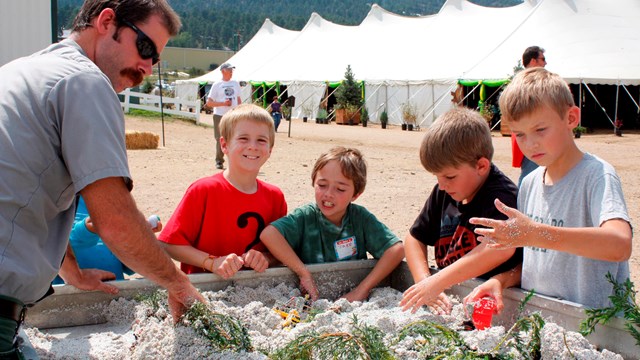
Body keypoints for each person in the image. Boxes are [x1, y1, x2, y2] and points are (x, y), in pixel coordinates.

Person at [0, 0, 205, 356]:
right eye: (144, 48)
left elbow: (28, 192)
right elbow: (115, 222)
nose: (145, 66)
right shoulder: (87, 82)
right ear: (107, 21)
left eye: (154, 60)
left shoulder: (20, 70)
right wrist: (177, 282)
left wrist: (72, 271)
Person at [464, 68, 632, 313]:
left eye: (540, 130)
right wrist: (501, 279)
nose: (530, 144)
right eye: (519, 134)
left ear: (571, 118)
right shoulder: (530, 183)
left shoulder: (597, 176)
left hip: (599, 331)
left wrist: (536, 234)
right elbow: (540, 261)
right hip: (546, 324)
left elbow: (619, 245)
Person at [399, 107, 521, 314]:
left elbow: (500, 248)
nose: (442, 185)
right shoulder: (444, 191)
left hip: (492, 302)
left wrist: (437, 282)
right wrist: (424, 280)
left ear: (481, 166)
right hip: (448, 292)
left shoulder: (502, 197)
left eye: (449, 177)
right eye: (437, 177)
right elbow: (413, 238)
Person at [159, 104, 287, 279]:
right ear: (224, 145)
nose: (253, 146)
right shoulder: (203, 190)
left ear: (270, 149)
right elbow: (170, 244)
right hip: (204, 289)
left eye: (261, 140)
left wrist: (265, 258)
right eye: (243, 138)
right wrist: (211, 262)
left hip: (254, 291)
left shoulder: (275, 197)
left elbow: (281, 251)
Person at [260, 147, 405, 302]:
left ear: (356, 194)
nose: (328, 193)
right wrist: (303, 273)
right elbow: (269, 234)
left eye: (340, 189)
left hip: (351, 295)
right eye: (322, 185)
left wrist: (361, 290)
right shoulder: (305, 216)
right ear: (313, 182)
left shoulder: (360, 218)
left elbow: (396, 249)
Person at [52, 196, 163, 284]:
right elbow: (52, 250)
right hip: (71, 298)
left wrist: (139, 240)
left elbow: (127, 264)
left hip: (115, 296)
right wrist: (87, 231)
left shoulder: (112, 201)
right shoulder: (53, 203)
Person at [512, 46, 547, 186]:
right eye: (542, 59)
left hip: (532, 134)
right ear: (533, 61)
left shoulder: (521, 80)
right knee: (531, 175)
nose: (545, 63)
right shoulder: (527, 82)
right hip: (531, 135)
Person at [206, 62, 242, 170]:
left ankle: (235, 161)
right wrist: (223, 104)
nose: (231, 72)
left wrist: (241, 110)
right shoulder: (217, 85)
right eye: (229, 70)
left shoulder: (235, 83)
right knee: (220, 138)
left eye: (232, 70)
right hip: (219, 115)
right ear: (223, 71)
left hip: (233, 115)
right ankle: (219, 161)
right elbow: (209, 103)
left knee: (235, 138)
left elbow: (239, 99)